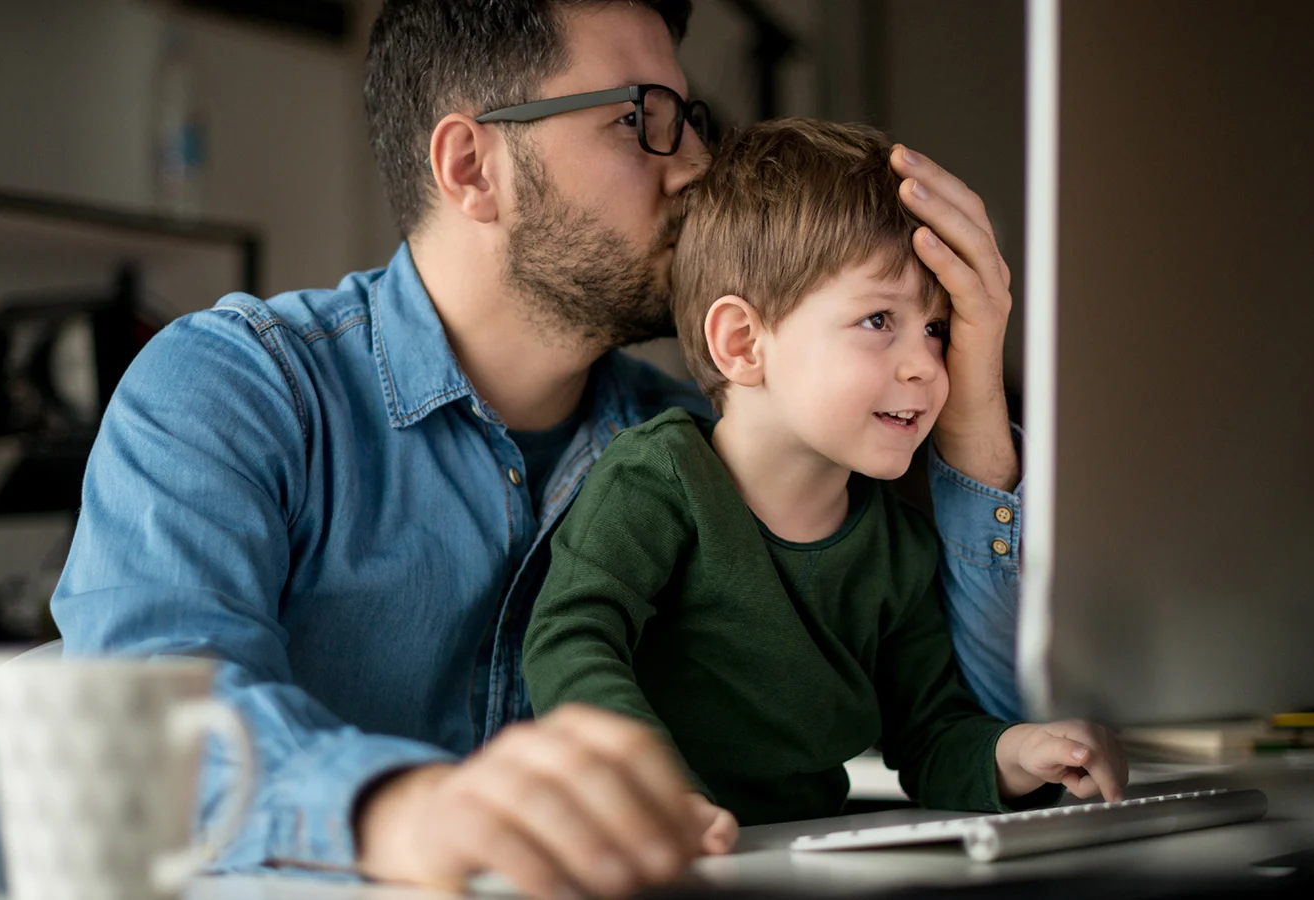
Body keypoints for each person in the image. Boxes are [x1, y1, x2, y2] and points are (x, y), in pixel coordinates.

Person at [51, 0, 1028, 897]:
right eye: (639, 118)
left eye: (691, 120)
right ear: (472, 166)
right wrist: (407, 808)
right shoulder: (236, 390)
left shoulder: (704, 449)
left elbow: (981, 717)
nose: (691, 167)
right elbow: (150, 740)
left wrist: (974, 406)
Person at [523, 119, 1125, 833]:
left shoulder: (897, 547)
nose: (925, 367)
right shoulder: (654, 480)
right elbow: (569, 637)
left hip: (800, 857)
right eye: (878, 319)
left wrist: (1018, 752)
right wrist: (652, 791)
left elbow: (930, 736)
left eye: (935, 329)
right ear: (742, 343)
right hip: (644, 854)